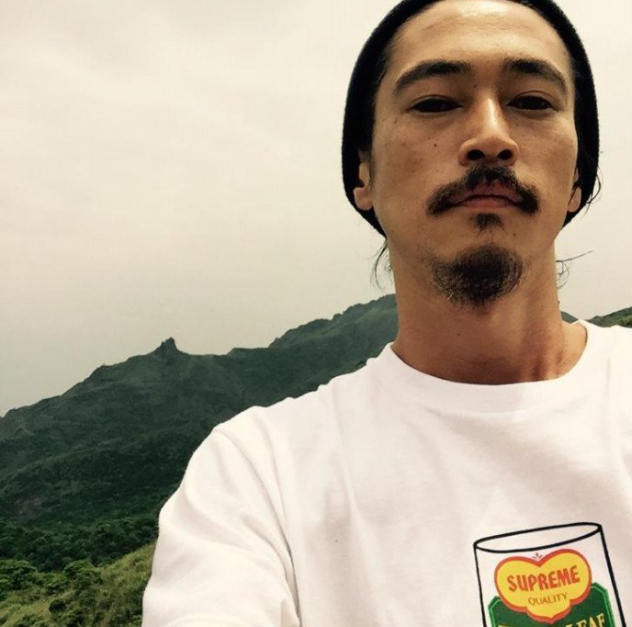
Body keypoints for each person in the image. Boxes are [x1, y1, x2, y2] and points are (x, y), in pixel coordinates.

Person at [142, 0, 632, 624]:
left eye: (533, 101)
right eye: (435, 102)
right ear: (363, 174)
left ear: (577, 178)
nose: (491, 136)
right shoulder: (259, 476)